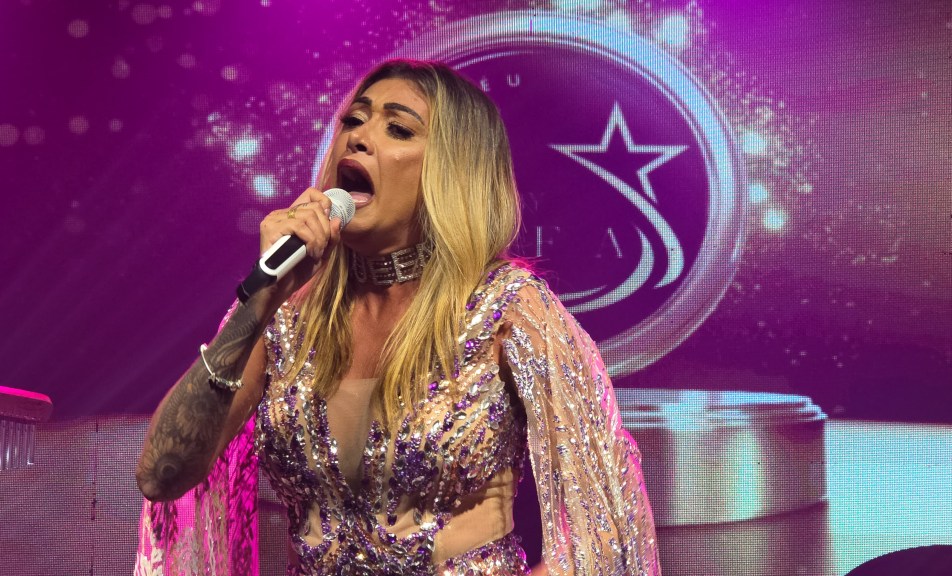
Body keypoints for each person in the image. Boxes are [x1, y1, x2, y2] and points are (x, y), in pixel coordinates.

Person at [135, 59, 661, 575]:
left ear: (452, 172)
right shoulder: (284, 315)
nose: (359, 138)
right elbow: (161, 476)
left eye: (398, 129)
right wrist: (258, 302)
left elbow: (603, 539)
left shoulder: (508, 309)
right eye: (353, 120)